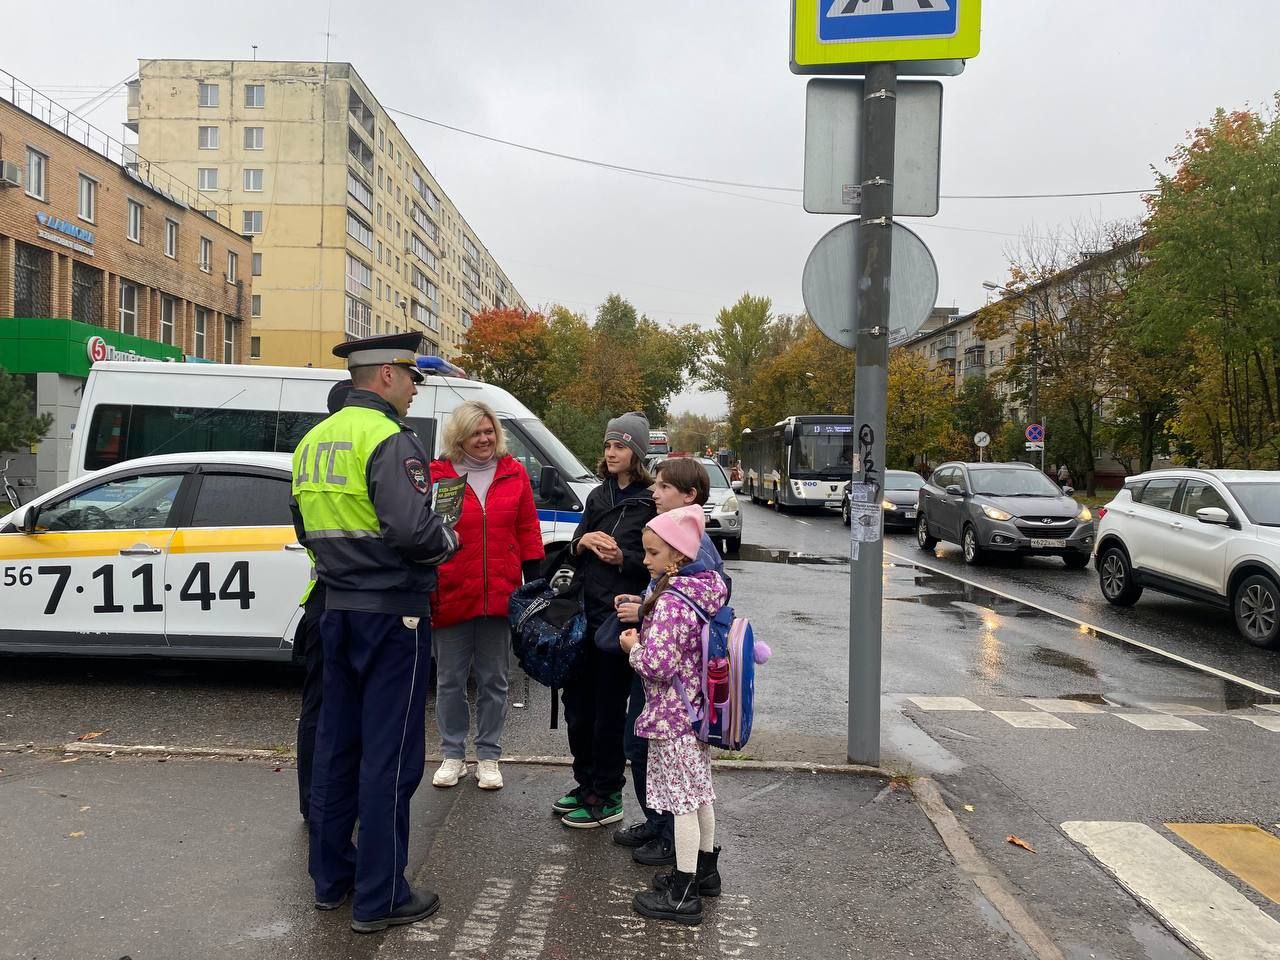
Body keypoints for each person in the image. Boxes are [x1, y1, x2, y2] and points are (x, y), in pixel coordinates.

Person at [290, 332, 459, 935]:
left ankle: (331, 880)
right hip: (392, 614)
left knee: (338, 747)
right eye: (413, 377)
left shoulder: (313, 441)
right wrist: (450, 539)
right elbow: (415, 532)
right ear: (386, 374)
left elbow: (304, 527)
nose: (415, 389)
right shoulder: (391, 439)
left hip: (334, 608)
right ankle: (381, 896)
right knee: (390, 755)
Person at [612, 457, 729, 868]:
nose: (644, 560)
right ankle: (705, 871)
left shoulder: (678, 592)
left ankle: (683, 885)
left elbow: (659, 662)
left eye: (651, 554)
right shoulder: (696, 581)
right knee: (698, 794)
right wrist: (645, 605)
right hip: (693, 706)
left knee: (682, 801)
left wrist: (634, 646)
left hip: (673, 709)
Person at [429, 400, 544, 791]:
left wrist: (535, 588)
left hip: (500, 594)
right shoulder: (438, 476)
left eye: (489, 431)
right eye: (476, 432)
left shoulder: (514, 474)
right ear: (459, 436)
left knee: (494, 680)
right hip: (451, 593)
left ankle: (489, 756)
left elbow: (528, 531)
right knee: (449, 680)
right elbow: (426, 534)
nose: (484, 439)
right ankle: (453, 754)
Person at [553, 412, 656, 829]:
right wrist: (581, 543)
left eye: (620, 446)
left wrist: (624, 559)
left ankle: (608, 793)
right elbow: (573, 550)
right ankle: (585, 783)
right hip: (584, 615)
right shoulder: (598, 495)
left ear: (638, 452)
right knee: (577, 707)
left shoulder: (651, 501)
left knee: (608, 711)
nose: (611, 453)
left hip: (620, 623)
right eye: (608, 445)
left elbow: (661, 567)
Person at [295, 378, 352, 822]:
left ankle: (313, 802)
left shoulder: (306, 451)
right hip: (359, 598)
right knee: (353, 708)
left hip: (320, 595)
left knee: (317, 708)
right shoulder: (367, 447)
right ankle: (339, 804)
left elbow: (301, 527)